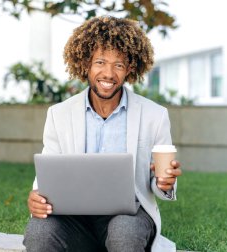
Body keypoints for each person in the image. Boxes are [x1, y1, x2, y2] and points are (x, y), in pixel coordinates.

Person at [23, 16, 182, 252]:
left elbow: (159, 183)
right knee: (39, 231)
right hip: (74, 218)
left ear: (129, 69)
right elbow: (49, 169)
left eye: (118, 65)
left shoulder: (154, 115)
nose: (108, 73)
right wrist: (36, 196)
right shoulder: (59, 114)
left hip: (129, 216)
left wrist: (165, 183)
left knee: (123, 233)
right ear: (85, 63)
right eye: (100, 62)